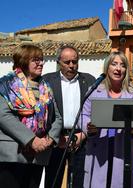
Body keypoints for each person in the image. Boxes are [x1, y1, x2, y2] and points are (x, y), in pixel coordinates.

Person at [0, 44, 62, 188]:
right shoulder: (5, 85)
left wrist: (49, 139)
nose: (41, 63)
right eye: (36, 60)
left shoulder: (46, 87)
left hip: (39, 155)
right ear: (23, 61)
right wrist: (31, 140)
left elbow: (57, 117)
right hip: (12, 154)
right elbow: (3, 115)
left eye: (42, 59)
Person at [81, 51, 133, 188]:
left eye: (122, 65)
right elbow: (83, 115)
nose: (118, 68)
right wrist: (89, 126)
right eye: (114, 64)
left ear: (126, 70)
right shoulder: (94, 91)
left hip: (125, 151)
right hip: (99, 148)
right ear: (107, 67)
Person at [43, 45, 96, 188]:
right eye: (67, 62)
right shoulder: (46, 81)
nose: (72, 65)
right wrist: (55, 137)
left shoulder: (90, 80)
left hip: (81, 141)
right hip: (56, 141)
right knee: (53, 182)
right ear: (58, 62)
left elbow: (95, 111)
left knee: (81, 183)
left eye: (75, 61)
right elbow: (42, 114)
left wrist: (83, 134)